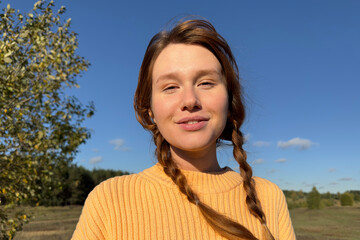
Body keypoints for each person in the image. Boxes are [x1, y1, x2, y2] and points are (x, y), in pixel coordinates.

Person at [72, 19, 296, 240]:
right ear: (149, 110)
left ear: (229, 101)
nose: (190, 100)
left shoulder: (268, 198)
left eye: (206, 83)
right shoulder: (109, 201)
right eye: (170, 87)